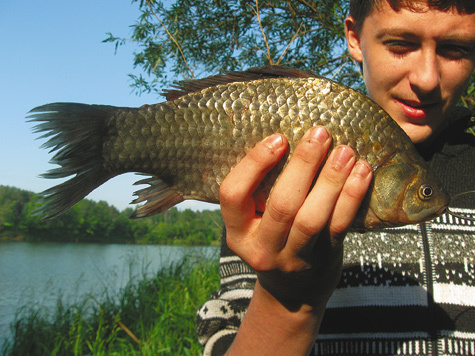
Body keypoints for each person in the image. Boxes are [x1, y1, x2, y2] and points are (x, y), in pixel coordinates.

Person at [197, 0, 475, 355]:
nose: (426, 78)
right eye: (400, 44)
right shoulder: (274, 185)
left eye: (455, 49)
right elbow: (225, 340)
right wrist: (287, 298)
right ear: (355, 38)